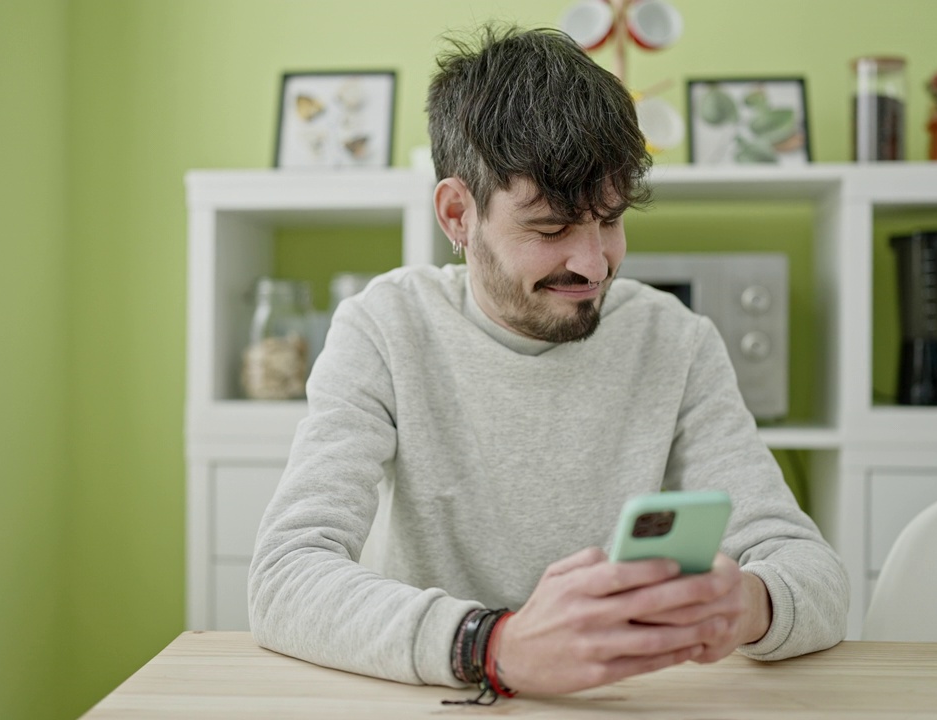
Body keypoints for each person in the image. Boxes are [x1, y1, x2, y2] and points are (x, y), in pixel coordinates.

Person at [248, 24, 849, 698]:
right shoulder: (383, 330)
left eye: (611, 219)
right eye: (551, 228)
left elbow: (814, 574)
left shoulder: (675, 342)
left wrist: (750, 603)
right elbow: (285, 577)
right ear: (458, 214)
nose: (594, 264)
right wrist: (492, 645)